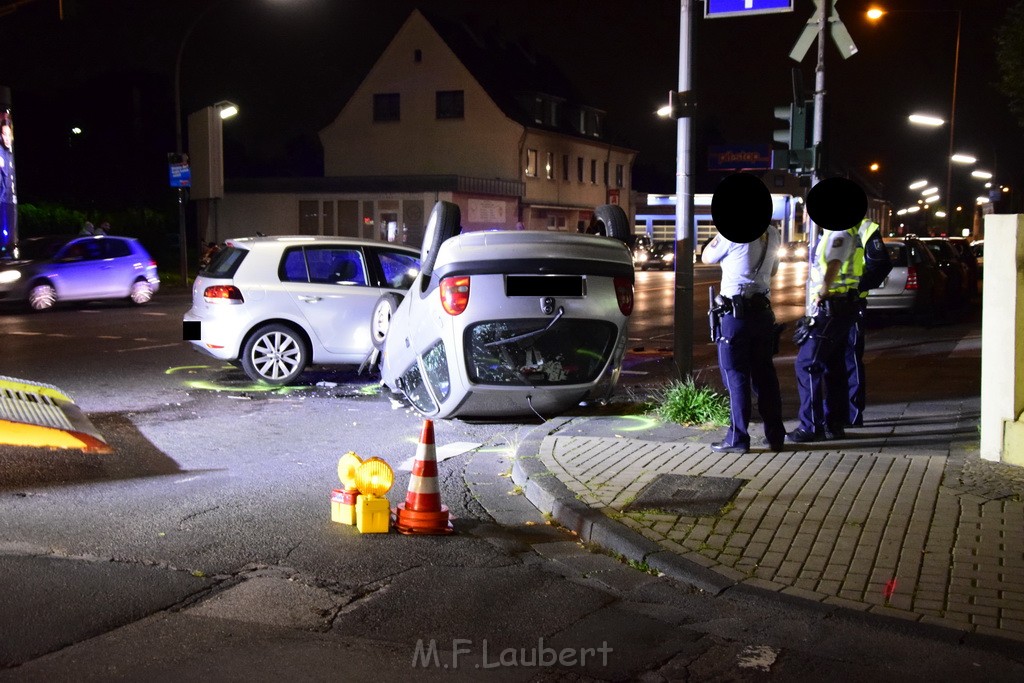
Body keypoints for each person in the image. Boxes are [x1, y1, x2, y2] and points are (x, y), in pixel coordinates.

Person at [702, 226, 787, 453]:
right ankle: (776, 436)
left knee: (736, 376)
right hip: (763, 313)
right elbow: (774, 270)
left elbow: (707, 256)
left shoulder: (732, 231)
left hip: (736, 316)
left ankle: (737, 438)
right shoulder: (773, 233)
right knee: (765, 376)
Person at [788, 225, 864, 443]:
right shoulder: (848, 232)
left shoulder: (838, 234)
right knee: (834, 365)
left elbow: (834, 263)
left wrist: (822, 292)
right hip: (844, 306)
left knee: (807, 363)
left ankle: (811, 426)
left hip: (832, 305)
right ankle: (834, 423)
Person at [845, 216, 892, 427]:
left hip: (851, 305)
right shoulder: (824, 228)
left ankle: (852, 415)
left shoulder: (864, 227)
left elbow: (881, 264)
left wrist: (858, 287)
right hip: (828, 307)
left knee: (850, 360)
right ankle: (835, 414)